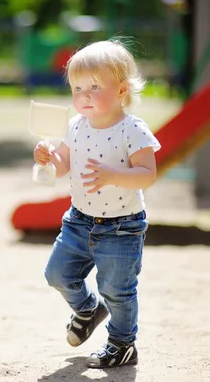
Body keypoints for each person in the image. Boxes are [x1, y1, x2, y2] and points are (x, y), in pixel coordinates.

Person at [33, 39, 161, 369]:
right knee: (57, 274)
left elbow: (147, 174)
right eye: (77, 88)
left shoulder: (132, 129)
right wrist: (47, 160)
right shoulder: (75, 127)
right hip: (78, 221)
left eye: (94, 86)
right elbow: (62, 166)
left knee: (117, 290)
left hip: (122, 227)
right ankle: (88, 308)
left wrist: (113, 175)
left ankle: (122, 344)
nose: (84, 95)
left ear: (121, 90)